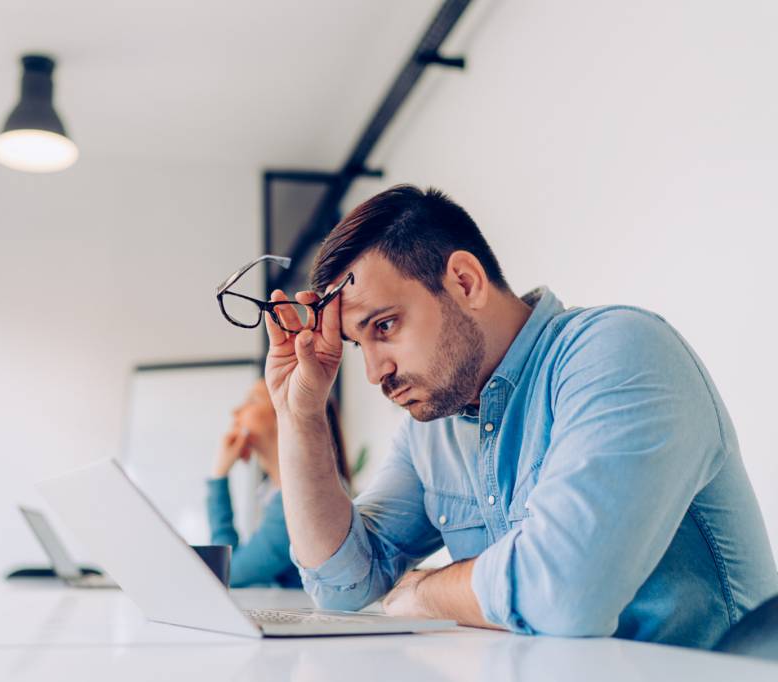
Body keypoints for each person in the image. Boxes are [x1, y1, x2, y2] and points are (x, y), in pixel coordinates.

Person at [260, 184, 778, 648]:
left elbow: (564, 593)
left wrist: (424, 590)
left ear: (464, 282)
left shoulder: (619, 350)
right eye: (358, 344)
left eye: (386, 326)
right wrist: (299, 415)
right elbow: (342, 585)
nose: (375, 372)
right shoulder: (433, 429)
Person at [206, 379, 350, 588]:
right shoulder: (273, 493)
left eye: (252, 400)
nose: (236, 411)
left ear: (284, 415)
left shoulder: (305, 499)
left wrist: (219, 477)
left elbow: (228, 572)